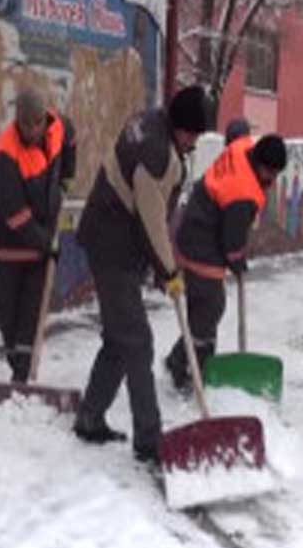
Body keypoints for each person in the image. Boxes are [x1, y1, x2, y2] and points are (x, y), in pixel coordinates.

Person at [73, 85, 208, 464]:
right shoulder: (156, 155)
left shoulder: (152, 123)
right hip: (111, 245)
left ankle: (90, 416)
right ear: (179, 126)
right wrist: (169, 271)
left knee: (120, 338)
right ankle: (150, 440)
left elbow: (152, 218)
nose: (194, 143)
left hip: (112, 237)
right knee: (138, 342)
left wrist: (164, 268)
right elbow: (152, 223)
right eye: (193, 135)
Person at [164, 134, 288, 391]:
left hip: (193, 222)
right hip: (203, 245)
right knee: (210, 308)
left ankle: (181, 357)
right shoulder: (243, 193)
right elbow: (232, 241)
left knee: (202, 309)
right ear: (262, 165)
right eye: (271, 173)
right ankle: (187, 367)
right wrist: (237, 261)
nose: (272, 180)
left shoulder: (242, 148)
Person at [0, 87, 76, 383]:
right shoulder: (5, 156)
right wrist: (45, 242)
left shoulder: (58, 128)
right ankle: (20, 373)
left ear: (44, 119)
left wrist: (65, 182)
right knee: (10, 322)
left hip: (38, 248)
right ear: (17, 121)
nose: (32, 130)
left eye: (37, 123)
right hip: (7, 250)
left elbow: (71, 140)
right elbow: (16, 215)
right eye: (26, 124)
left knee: (32, 318)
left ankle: (22, 379)